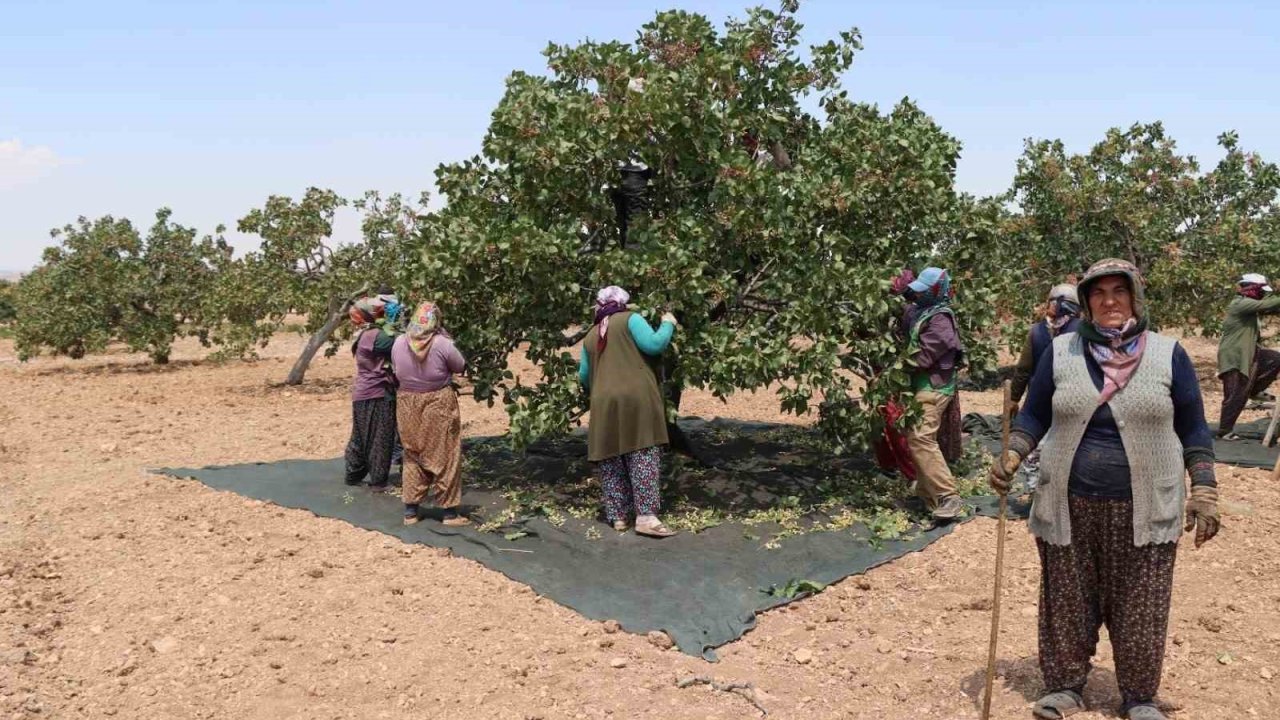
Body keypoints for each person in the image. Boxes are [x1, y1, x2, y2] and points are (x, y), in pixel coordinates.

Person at [989, 258, 1220, 720]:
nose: (1109, 301)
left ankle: (1138, 696)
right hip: (1068, 500)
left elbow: (1194, 427)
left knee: (1142, 604)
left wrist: (1206, 489)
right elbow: (1035, 412)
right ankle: (1065, 687)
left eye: (1119, 291)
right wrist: (1014, 451)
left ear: (1135, 297)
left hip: (1147, 504)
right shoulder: (1060, 351)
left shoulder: (1167, 353)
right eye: (1098, 294)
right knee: (1068, 597)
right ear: (1087, 304)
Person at [578, 286, 678, 537]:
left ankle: (619, 516)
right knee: (642, 452)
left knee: (611, 457)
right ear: (623, 303)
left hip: (603, 403)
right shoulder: (631, 320)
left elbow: (583, 376)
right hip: (637, 398)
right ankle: (646, 517)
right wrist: (668, 323)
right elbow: (655, 345)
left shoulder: (591, 334)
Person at [893, 266, 966, 521]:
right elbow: (906, 311)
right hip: (921, 387)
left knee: (921, 438)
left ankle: (948, 496)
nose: (919, 296)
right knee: (916, 437)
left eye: (924, 291)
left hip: (934, 387)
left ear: (937, 291)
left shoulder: (941, 319)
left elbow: (924, 356)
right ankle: (927, 493)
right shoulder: (923, 311)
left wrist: (897, 369)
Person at [390, 301, 469, 526]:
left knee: (413, 452)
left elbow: (396, 369)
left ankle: (411, 513)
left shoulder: (398, 342)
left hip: (406, 402)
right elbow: (460, 366)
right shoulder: (442, 343)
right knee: (445, 454)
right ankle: (450, 514)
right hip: (437, 401)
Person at [1009, 283, 1083, 493]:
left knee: (1035, 449)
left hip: (1040, 400)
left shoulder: (1037, 331)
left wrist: (1014, 398)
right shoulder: (1084, 330)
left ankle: (1037, 493)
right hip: (1070, 402)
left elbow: (1023, 369)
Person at [1216, 272, 1280, 440]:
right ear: (1252, 289)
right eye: (1261, 291)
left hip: (1250, 352)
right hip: (1234, 356)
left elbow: (1272, 306)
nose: (1262, 294)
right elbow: (1270, 303)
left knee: (1274, 359)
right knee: (1235, 394)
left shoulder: (1249, 307)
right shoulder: (1240, 304)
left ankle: (1255, 390)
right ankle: (1225, 431)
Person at [344, 297, 397, 489]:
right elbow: (403, 342)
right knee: (380, 437)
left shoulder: (364, 334)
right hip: (377, 393)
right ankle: (379, 481)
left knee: (361, 435)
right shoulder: (376, 335)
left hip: (363, 393)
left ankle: (353, 474)